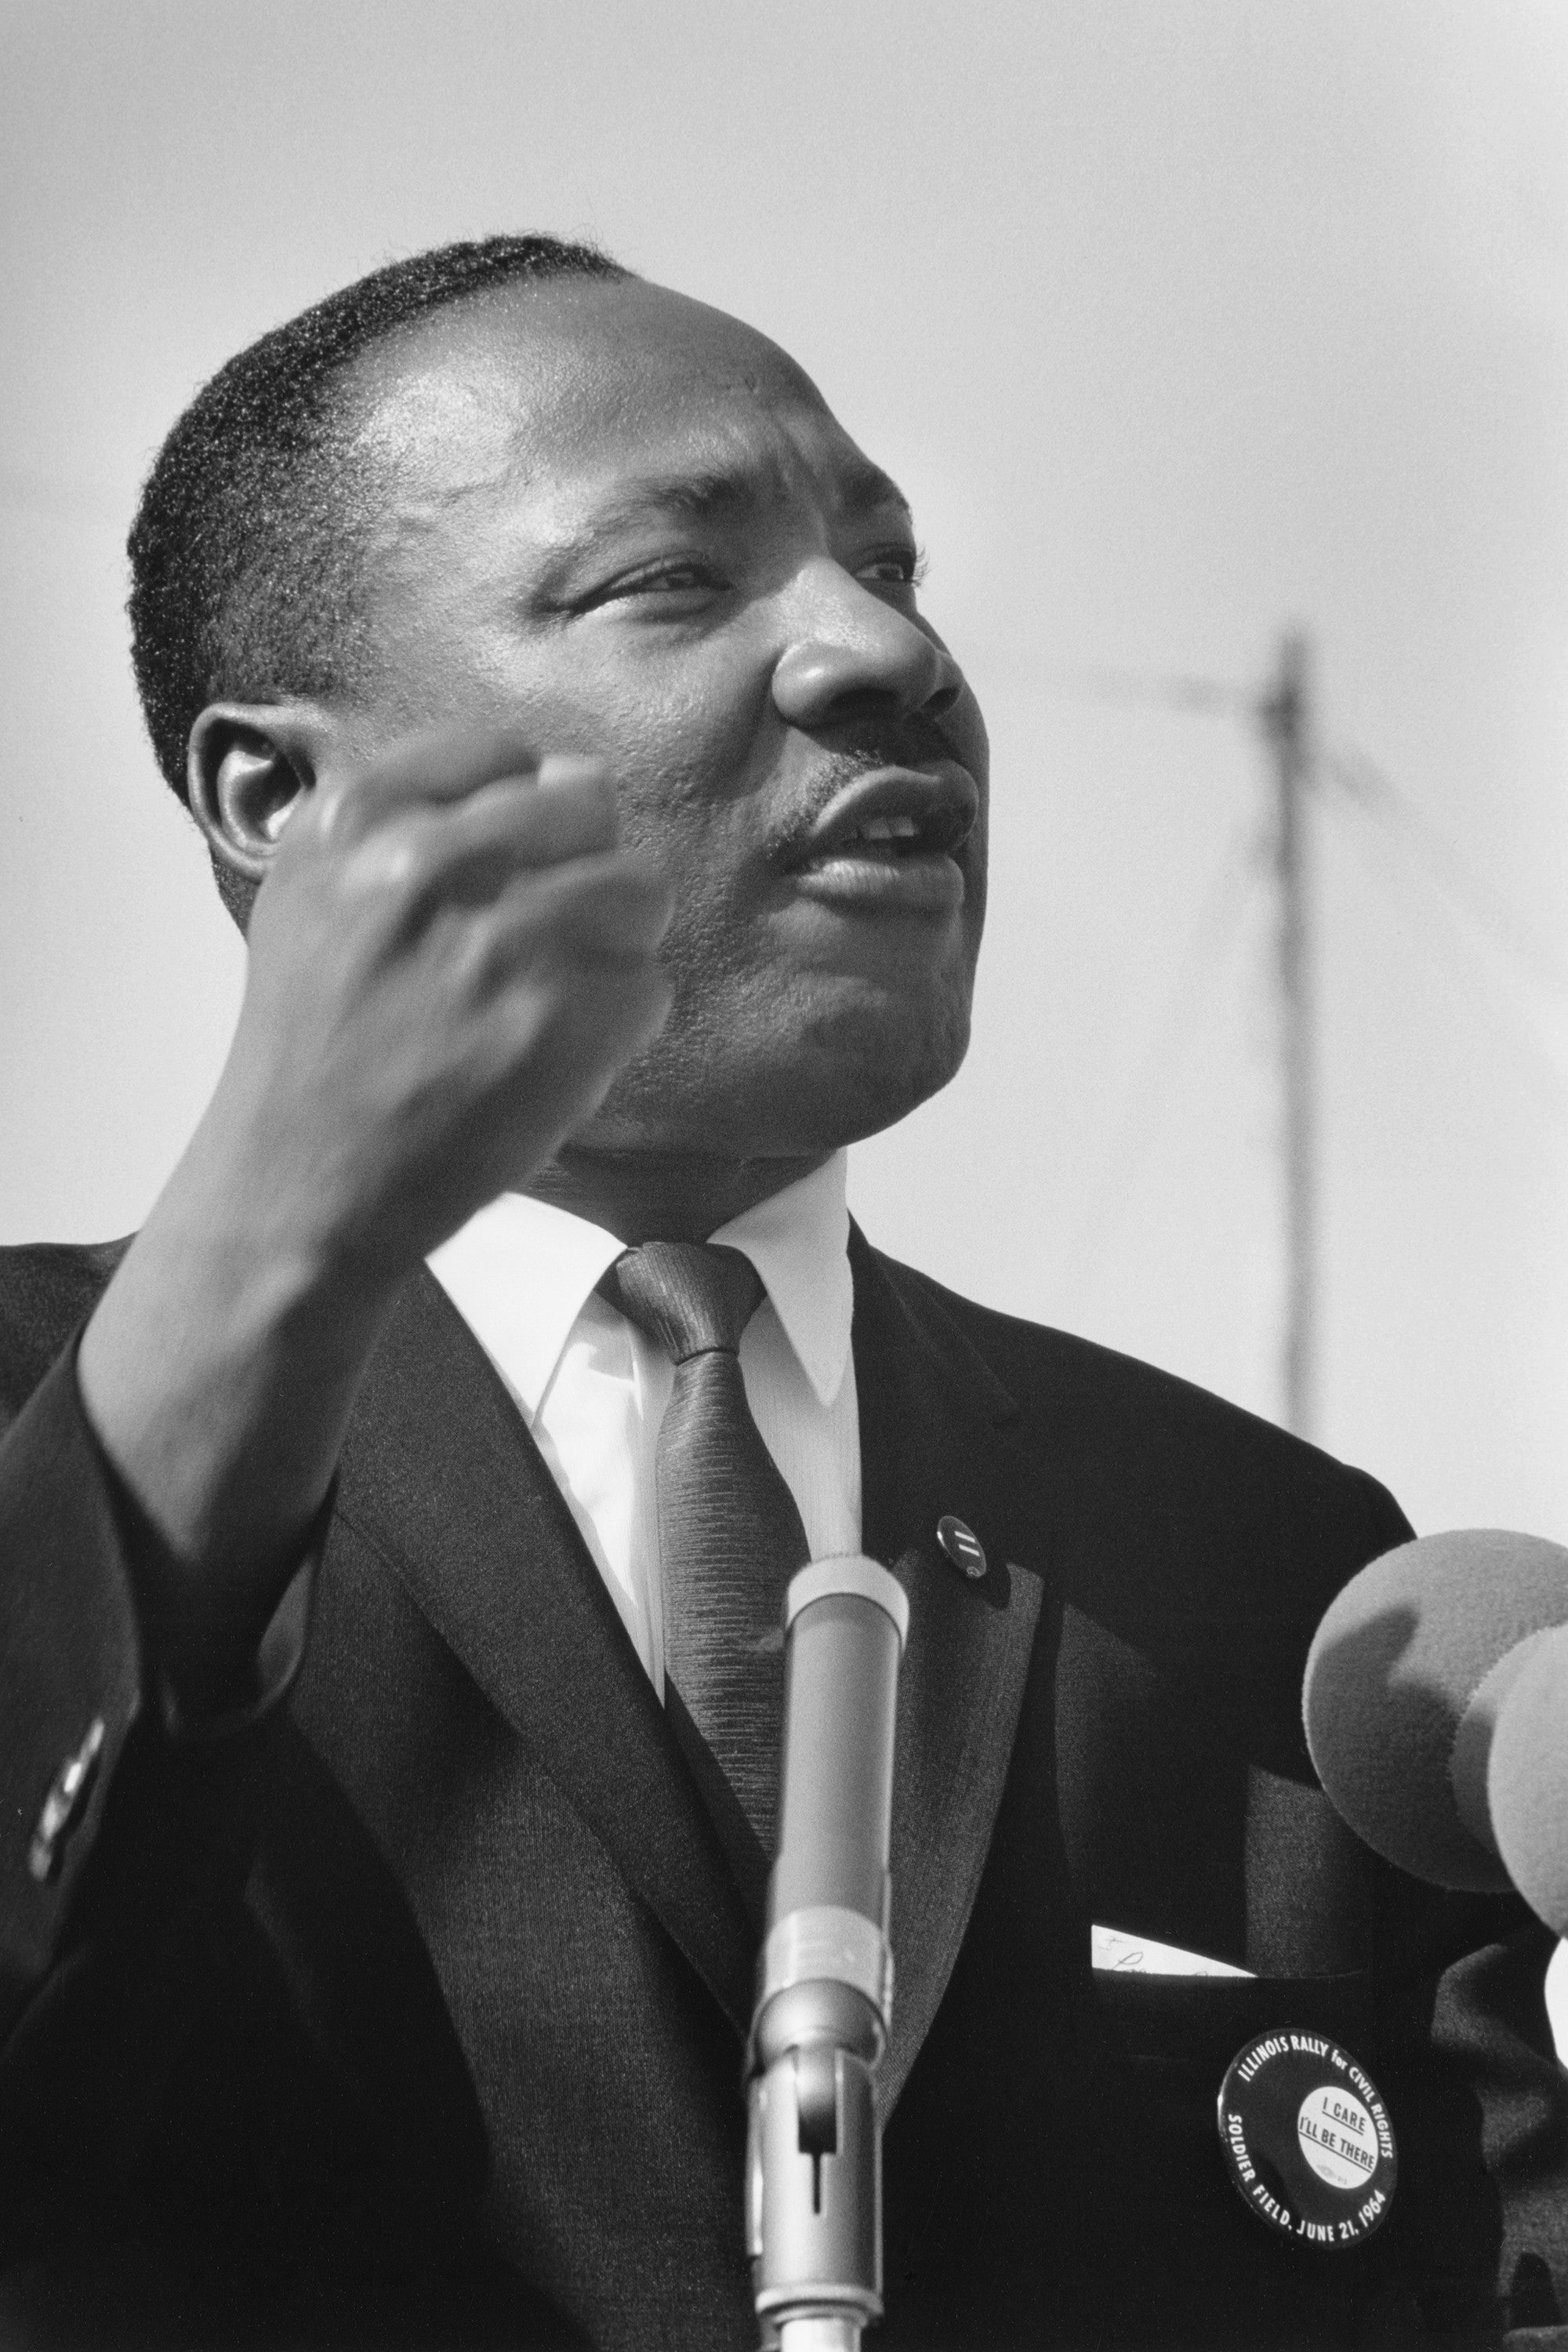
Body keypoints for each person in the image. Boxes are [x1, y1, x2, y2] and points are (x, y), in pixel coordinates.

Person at [0, 234, 1563, 2352]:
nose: (880, 648)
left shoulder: (1286, 1588)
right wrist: (275, 1232)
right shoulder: (64, 1435)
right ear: (285, 798)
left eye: (892, 567)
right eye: (672, 580)